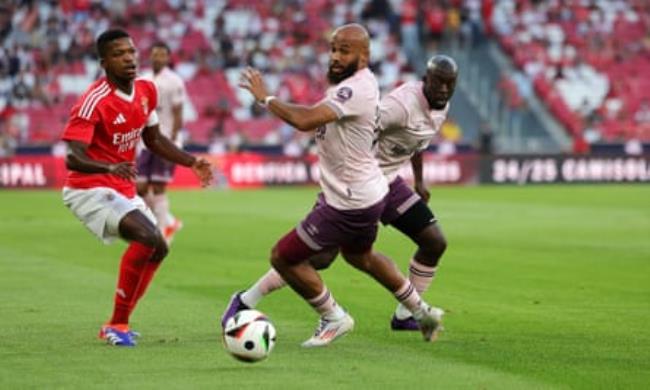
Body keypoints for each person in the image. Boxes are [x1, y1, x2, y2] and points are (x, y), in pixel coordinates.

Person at [226, 24, 442, 348]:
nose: (336, 57)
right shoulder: (349, 85)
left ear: (365, 56)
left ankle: (333, 316)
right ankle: (422, 311)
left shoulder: (356, 89)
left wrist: (265, 98)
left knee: (283, 257)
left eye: (345, 51)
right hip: (366, 192)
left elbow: (304, 120)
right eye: (334, 49)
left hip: (348, 201)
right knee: (361, 257)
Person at [61, 29, 212, 347]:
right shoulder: (93, 101)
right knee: (147, 236)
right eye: (119, 54)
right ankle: (118, 323)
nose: (129, 58)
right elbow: (73, 157)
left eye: (131, 51)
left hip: (120, 187)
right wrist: (108, 166)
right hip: (88, 187)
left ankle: (118, 322)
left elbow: (153, 139)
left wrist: (191, 161)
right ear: (104, 62)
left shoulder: (146, 90)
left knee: (159, 246)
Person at [136, 42, 187, 244]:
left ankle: (163, 229)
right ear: (150, 56)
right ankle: (169, 221)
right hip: (145, 140)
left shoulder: (174, 81)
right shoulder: (143, 79)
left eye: (162, 55)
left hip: (165, 139)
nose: (158, 58)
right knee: (139, 187)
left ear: (168, 58)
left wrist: (173, 141)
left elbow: (178, 112)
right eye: (155, 54)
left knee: (158, 186)